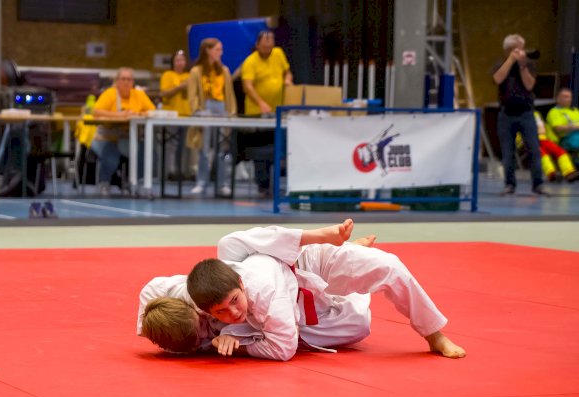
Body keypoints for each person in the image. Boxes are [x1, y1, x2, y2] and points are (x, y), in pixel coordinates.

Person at [184, 221, 466, 361]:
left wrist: (324, 236)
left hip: (309, 261)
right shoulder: (199, 299)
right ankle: (352, 251)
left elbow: (272, 235)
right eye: (221, 311)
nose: (232, 312)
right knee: (359, 325)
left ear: (240, 283)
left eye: (234, 301)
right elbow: (283, 347)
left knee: (390, 265)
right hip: (298, 305)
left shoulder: (232, 253)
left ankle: (434, 334)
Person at [137, 222, 376, 355]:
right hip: (271, 320)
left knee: (231, 245)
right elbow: (279, 344)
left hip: (259, 277)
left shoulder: (183, 295)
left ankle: (326, 243)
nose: (205, 327)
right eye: (201, 335)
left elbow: (149, 293)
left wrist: (145, 326)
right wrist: (231, 342)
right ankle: (350, 266)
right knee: (358, 323)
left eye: (199, 321)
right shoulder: (186, 342)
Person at [240, 30, 293, 195]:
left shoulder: (278, 54)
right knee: (261, 152)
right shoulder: (250, 62)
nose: (268, 49)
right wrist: (261, 103)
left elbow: (287, 71)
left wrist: (288, 79)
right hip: (257, 113)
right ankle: (263, 186)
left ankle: (277, 185)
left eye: (270, 46)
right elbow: (247, 86)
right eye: (264, 46)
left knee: (277, 150)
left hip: (278, 112)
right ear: (257, 45)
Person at [492, 34, 545, 196]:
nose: (522, 51)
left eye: (522, 47)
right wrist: (510, 61)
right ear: (508, 50)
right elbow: (498, 79)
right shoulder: (500, 64)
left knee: (534, 150)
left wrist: (522, 65)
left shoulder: (528, 64)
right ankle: (509, 185)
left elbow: (529, 86)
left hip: (526, 113)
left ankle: (537, 184)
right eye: (518, 48)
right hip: (506, 114)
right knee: (507, 152)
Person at [91, 67, 155, 196]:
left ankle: (134, 182)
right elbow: (96, 111)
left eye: (129, 79)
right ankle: (104, 182)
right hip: (105, 137)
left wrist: (138, 114)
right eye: (123, 79)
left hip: (128, 138)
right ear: (117, 81)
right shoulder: (110, 93)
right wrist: (120, 115)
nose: (126, 82)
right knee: (111, 154)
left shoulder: (139, 94)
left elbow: (153, 111)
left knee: (147, 152)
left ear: (133, 82)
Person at [186, 38, 237, 196]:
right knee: (205, 149)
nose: (220, 53)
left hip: (221, 108)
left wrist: (231, 112)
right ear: (208, 50)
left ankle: (223, 184)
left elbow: (229, 93)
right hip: (206, 108)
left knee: (222, 148)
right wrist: (197, 111)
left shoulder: (225, 71)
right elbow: (193, 94)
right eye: (217, 49)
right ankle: (201, 182)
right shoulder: (197, 71)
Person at [518, 111, 579, 182]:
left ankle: (569, 172)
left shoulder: (536, 114)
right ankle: (551, 174)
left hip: (543, 139)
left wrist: (553, 138)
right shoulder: (516, 115)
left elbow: (545, 128)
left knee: (560, 151)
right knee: (542, 153)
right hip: (528, 141)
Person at [159, 50, 191, 180]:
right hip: (171, 115)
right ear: (173, 62)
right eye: (177, 60)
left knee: (185, 146)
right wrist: (179, 87)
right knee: (171, 145)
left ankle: (183, 171)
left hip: (187, 115)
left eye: (182, 60)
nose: (179, 63)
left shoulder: (190, 75)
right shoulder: (167, 75)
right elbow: (163, 93)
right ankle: (169, 171)